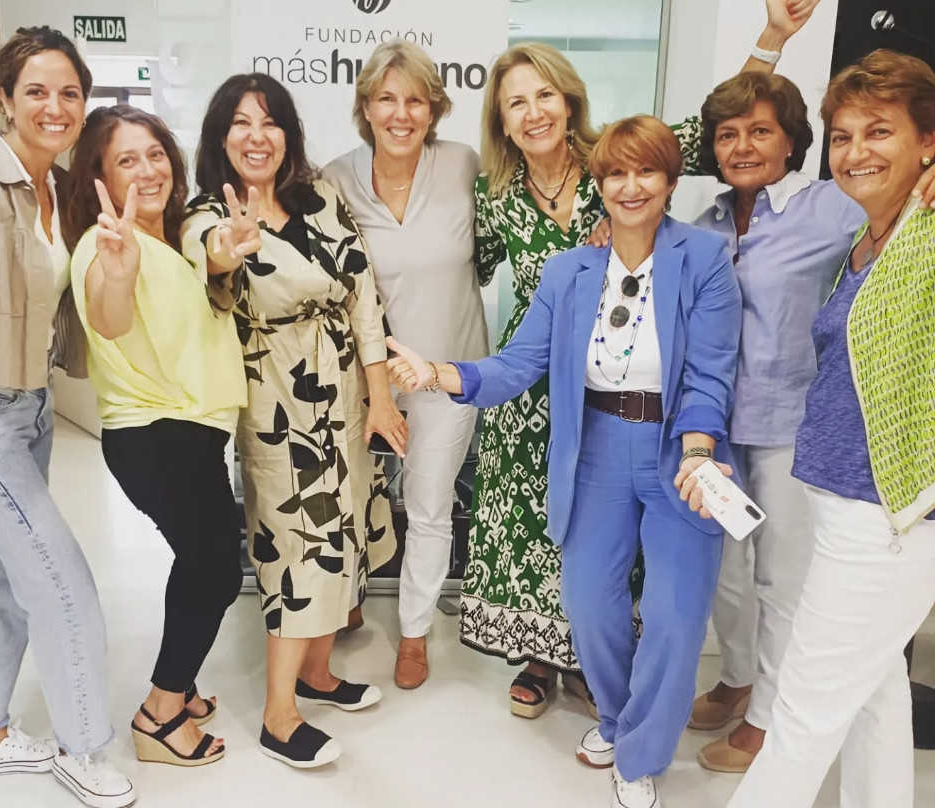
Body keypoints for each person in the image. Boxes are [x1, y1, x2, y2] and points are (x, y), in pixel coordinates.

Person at [464, 0, 820, 719]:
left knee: (619, 542)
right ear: (500, 121)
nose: (533, 113)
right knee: (543, 533)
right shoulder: (494, 196)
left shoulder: (614, 161)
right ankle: (543, 656)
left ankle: (603, 670)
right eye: (515, 104)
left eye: (543, 95)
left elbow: (713, 126)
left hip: (620, 390)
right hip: (531, 388)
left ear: (568, 102)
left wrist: (771, 39)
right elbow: (464, 266)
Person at [389, 115, 742, 808]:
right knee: (589, 602)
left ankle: (639, 755)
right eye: (616, 173)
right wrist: (438, 373)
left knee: (673, 614)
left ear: (670, 181)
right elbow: (520, 362)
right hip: (596, 448)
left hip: (679, 449)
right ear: (599, 185)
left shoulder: (703, 257)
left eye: (646, 171)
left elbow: (711, 372)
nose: (630, 186)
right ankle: (617, 719)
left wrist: (699, 450)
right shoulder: (569, 270)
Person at [0, 26, 134, 808]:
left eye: (69, 92)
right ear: (4, 98)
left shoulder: (62, 188)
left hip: (29, 411)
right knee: (61, 580)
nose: (54, 106)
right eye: (35, 90)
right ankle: (84, 748)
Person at [723, 49, 935, 808]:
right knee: (875, 697)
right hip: (840, 500)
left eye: (879, 131)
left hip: (888, 518)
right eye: (843, 136)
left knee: (802, 713)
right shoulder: (867, 240)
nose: (855, 152)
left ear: (927, 141)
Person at [182, 73, 399, 768]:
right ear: (220, 138)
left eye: (270, 122)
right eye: (241, 123)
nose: (257, 136)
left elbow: (363, 295)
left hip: (346, 393)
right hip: (278, 402)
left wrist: (381, 397)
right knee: (296, 546)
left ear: (288, 134)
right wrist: (230, 246)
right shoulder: (205, 213)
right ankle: (279, 717)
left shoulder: (319, 196)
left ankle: (317, 673)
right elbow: (212, 260)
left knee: (344, 533)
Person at [63, 106, 248, 767]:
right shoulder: (107, 245)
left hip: (185, 432)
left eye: (155, 153)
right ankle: (160, 714)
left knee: (197, 560)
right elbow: (109, 317)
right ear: (100, 176)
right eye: (126, 160)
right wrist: (116, 275)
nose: (147, 170)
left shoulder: (167, 239)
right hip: (156, 433)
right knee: (216, 568)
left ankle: (182, 683)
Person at [322, 40, 487, 689]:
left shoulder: (463, 164)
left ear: (434, 109)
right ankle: (347, 598)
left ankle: (415, 631)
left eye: (415, 100)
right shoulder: (335, 178)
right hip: (364, 377)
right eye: (386, 99)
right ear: (365, 107)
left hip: (448, 372)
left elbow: (529, 204)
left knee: (429, 506)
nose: (401, 113)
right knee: (352, 498)